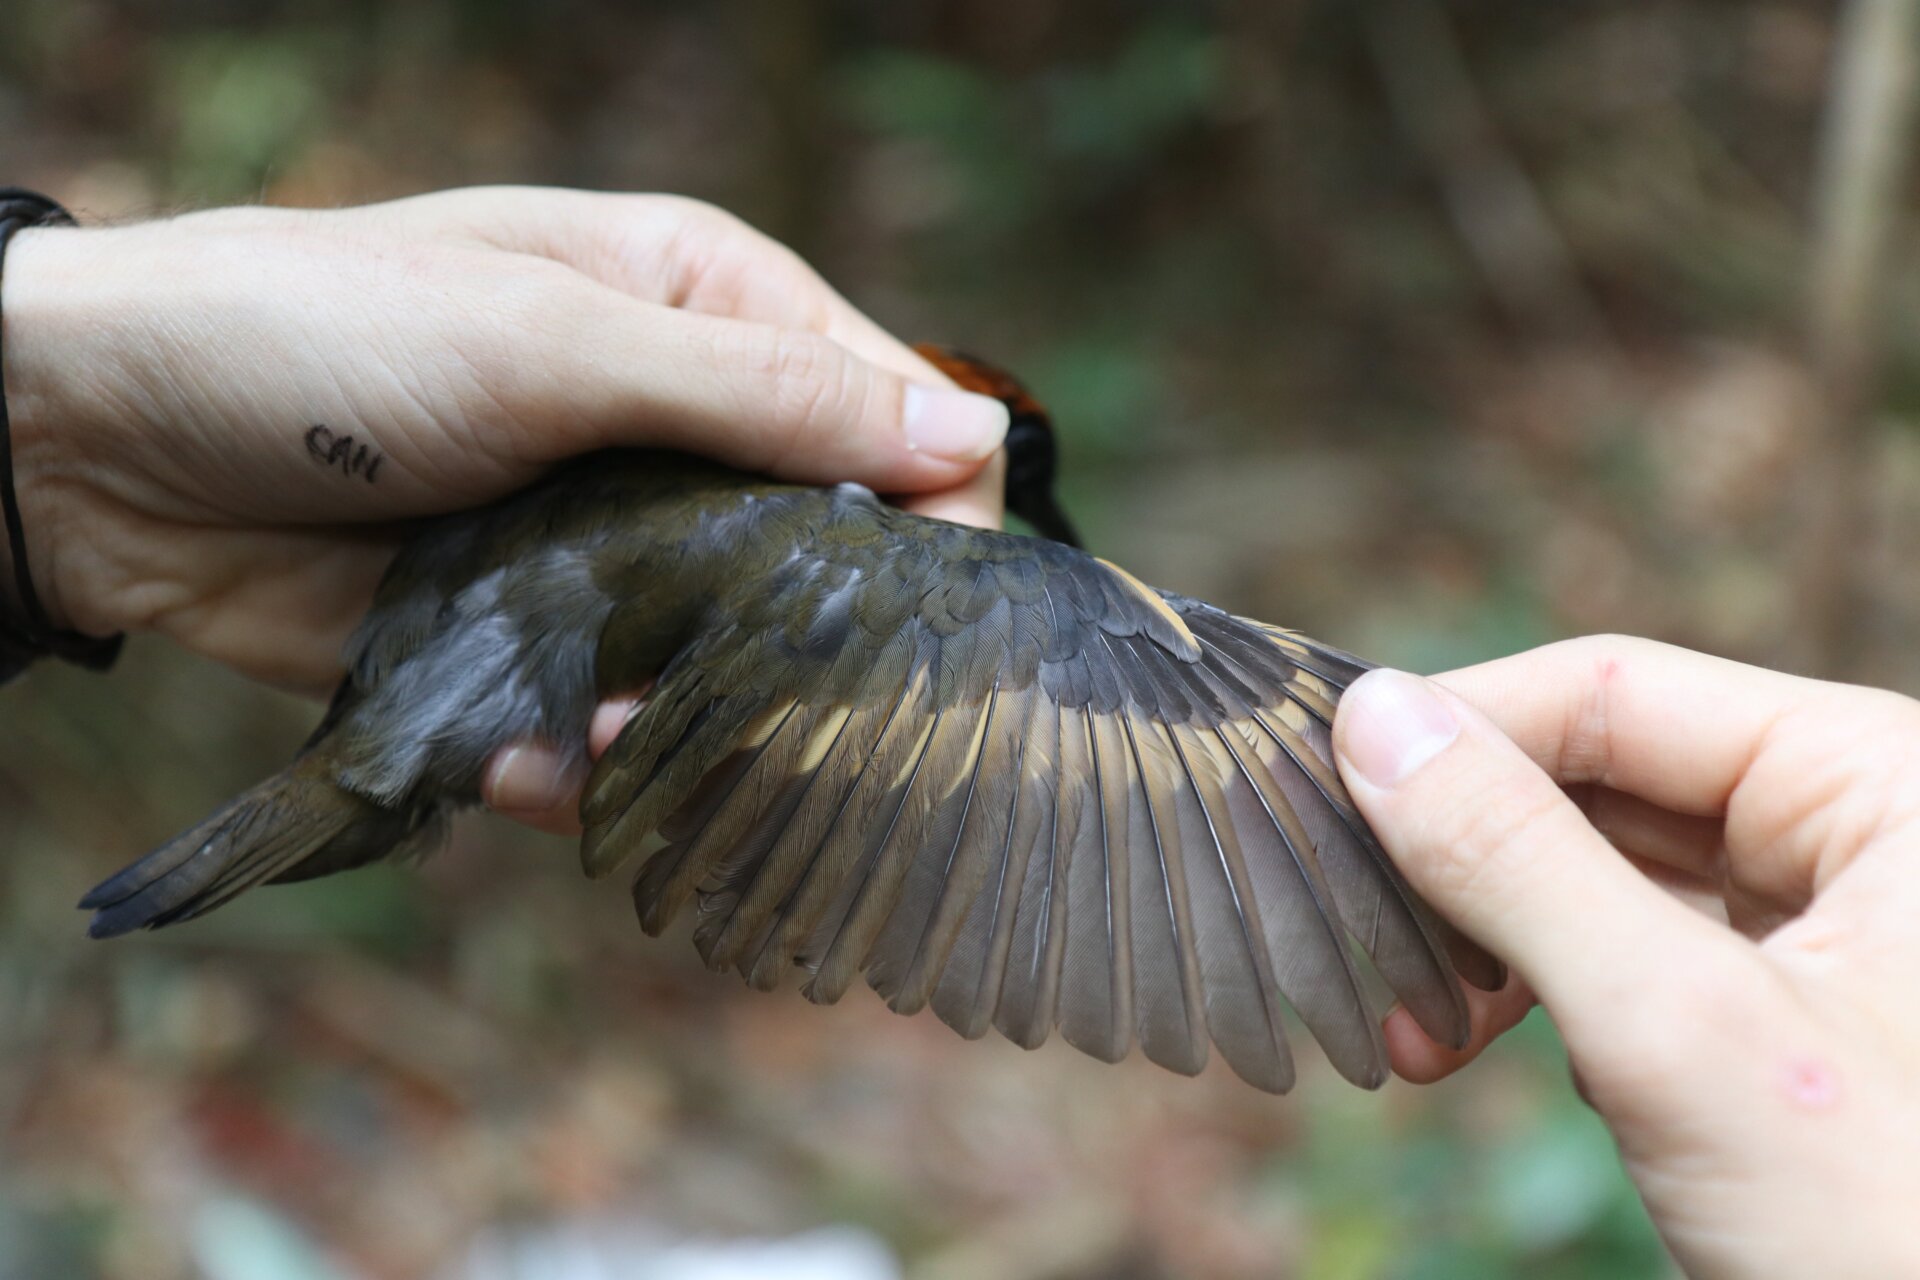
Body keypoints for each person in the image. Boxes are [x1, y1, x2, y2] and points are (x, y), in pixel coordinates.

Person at [4, 186, 1914, 1276]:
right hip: (427, 674)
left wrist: (55, 442)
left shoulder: (722, 492)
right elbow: (1113, 708)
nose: (1023, 503)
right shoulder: (935, 565)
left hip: (407, 660)